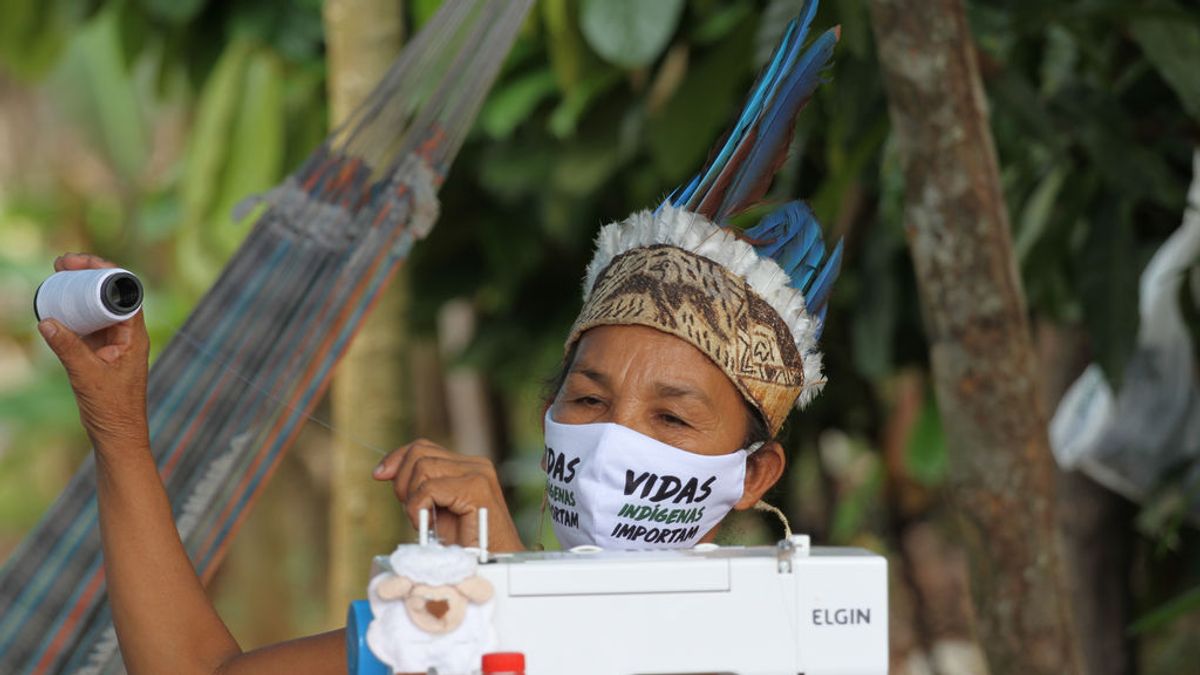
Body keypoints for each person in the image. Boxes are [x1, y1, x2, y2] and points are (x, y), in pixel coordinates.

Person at [36, 5, 840, 673]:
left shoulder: (787, 631)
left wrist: (516, 584)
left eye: (671, 417)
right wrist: (118, 425)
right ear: (549, 413)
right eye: (589, 397)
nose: (613, 442)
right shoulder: (459, 617)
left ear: (753, 470)